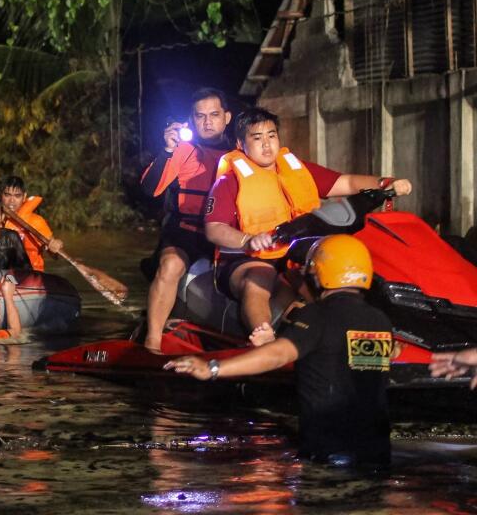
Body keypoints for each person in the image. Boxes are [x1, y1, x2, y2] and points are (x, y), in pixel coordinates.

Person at [165, 235, 394, 466]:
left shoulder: (317, 315)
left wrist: (212, 368)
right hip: (377, 452)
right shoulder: (380, 321)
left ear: (318, 274)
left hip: (327, 454)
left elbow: (278, 355)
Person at [205, 107, 412, 346]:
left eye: (272, 136)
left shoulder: (297, 170)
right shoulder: (228, 181)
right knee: (259, 279)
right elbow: (214, 228)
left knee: (333, 277)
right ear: (241, 143)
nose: (267, 145)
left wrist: (385, 182)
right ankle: (263, 337)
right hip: (248, 258)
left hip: (294, 253)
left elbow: (345, 182)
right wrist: (247, 240)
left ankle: (365, 333)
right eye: (257, 138)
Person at [139, 88, 235, 352]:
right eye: (200, 116)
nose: (207, 122)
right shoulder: (182, 150)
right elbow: (150, 190)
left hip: (227, 233)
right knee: (170, 265)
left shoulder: (241, 151)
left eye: (214, 115)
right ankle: (153, 340)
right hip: (185, 232)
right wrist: (168, 150)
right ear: (191, 120)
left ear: (227, 117)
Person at [0, 176, 64, 272]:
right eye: (7, 195)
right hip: (1, 275)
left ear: (24, 197)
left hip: (31, 274)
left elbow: (55, 256)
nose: (11, 200)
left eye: (17, 196)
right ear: (0, 195)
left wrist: (56, 246)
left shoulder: (36, 222)